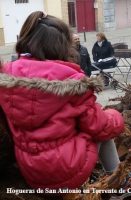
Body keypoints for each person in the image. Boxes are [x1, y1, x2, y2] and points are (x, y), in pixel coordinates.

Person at [0, 11, 124, 189]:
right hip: (66, 173)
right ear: (61, 46)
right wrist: (116, 116)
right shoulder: (72, 81)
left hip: (31, 172)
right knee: (100, 128)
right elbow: (99, 125)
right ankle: (120, 179)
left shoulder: (8, 76)